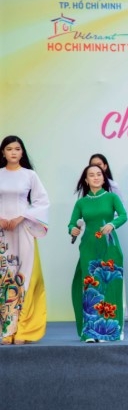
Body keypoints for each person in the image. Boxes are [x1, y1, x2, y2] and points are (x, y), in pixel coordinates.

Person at [68, 164, 127, 342]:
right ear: (86, 180)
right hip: (88, 247)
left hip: (110, 246)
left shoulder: (111, 197)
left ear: (104, 178)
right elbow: (71, 224)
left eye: (99, 174)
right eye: (91, 175)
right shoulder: (81, 202)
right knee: (91, 287)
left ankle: (111, 330)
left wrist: (112, 224)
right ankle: (90, 332)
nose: (95, 177)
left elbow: (123, 215)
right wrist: (72, 230)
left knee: (110, 286)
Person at [0, 136, 49, 345]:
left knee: (24, 275)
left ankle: (24, 328)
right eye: (9, 149)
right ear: (3, 152)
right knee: (5, 275)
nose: (13, 152)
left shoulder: (30, 175)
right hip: (2, 230)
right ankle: (6, 329)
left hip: (24, 228)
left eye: (17, 149)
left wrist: (22, 217)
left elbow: (42, 201)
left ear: (22, 152)